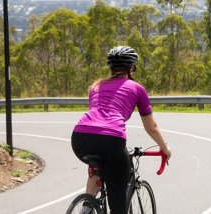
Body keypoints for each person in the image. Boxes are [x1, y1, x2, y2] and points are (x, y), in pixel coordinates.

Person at [71, 46, 171, 214]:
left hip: (80, 138)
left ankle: (86, 208)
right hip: (111, 140)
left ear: (110, 67)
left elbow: (97, 121)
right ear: (131, 68)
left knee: (99, 167)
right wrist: (165, 148)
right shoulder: (137, 88)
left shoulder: (95, 86)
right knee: (118, 201)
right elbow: (151, 127)